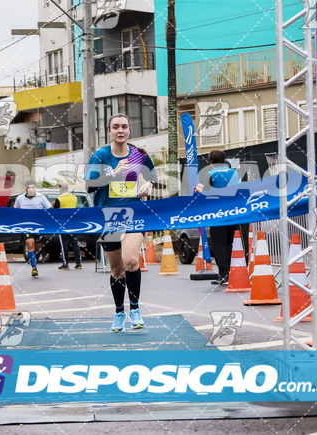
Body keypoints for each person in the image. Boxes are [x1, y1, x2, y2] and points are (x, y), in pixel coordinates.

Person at [86, 114, 202, 332]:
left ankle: (136, 309)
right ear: (109, 131)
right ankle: (119, 312)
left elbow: (152, 175)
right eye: (115, 127)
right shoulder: (100, 156)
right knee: (117, 270)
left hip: (134, 213)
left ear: (129, 130)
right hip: (109, 217)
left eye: (124, 127)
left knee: (130, 259)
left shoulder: (139, 155)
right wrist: (113, 173)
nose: (120, 131)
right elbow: (90, 186)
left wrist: (148, 184)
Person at [205, 150, 245, 285]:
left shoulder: (209, 174)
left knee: (219, 244)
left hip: (217, 214)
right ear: (224, 160)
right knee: (229, 243)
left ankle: (224, 274)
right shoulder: (234, 173)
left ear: (211, 163)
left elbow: (206, 194)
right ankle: (232, 272)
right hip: (233, 213)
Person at [13, 180, 51, 277]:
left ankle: (35, 258)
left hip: (39, 226)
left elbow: (49, 209)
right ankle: (34, 268)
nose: (31, 189)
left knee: (37, 248)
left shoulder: (41, 197)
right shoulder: (19, 198)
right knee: (30, 244)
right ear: (26, 189)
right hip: (26, 226)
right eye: (29, 187)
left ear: (36, 188)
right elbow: (15, 212)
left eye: (33, 187)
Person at [52, 182, 82, 270]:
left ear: (61, 188)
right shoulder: (74, 197)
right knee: (75, 243)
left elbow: (55, 211)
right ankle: (78, 263)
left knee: (64, 243)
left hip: (63, 223)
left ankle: (66, 264)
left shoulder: (59, 199)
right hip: (73, 223)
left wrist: (53, 205)